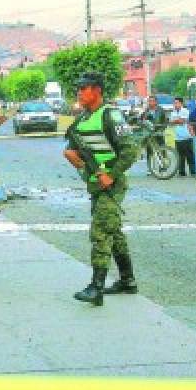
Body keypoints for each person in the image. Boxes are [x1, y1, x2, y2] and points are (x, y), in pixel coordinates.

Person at [64, 72, 140, 306]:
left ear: (97, 90)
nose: (79, 92)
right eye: (78, 88)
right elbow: (73, 147)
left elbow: (130, 150)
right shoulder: (83, 119)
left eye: (84, 88)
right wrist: (74, 157)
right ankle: (127, 280)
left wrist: (111, 174)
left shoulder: (111, 115)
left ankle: (96, 287)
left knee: (101, 232)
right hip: (96, 182)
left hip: (112, 182)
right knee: (113, 231)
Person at [169, 97, 196, 177]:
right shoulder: (173, 113)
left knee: (190, 156)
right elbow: (171, 123)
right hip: (178, 137)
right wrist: (177, 121)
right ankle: (182, 172)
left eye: (177, 103)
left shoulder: (185, 111)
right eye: (174, 103)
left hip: (187, 137)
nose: (175, 104)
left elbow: (182, 121)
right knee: (180, 156)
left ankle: (193, 171)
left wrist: (176, 121)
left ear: (181, 103)